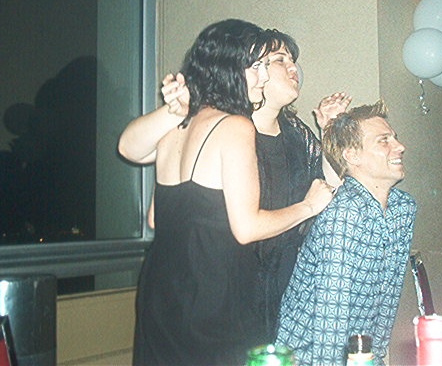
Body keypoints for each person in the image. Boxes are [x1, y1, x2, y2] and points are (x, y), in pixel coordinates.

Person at [119, 27, 351, 342]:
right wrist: (176, 110)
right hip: (225, 286)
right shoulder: (228, 125)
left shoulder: (295, 133)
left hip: (248, 283)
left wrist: (330, 132)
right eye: (275, 60)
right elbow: (130, 149)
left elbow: (329, 192)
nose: (290, 68)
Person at [275, 99, 417, 366]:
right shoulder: (345, 213)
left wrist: (376, 356)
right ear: (352, 156)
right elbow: (331, 311)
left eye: (394, 138)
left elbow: (389, 293)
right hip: (308, 355)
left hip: (359, 353)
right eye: (383, 141)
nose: (400, 147)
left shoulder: (403, 208)